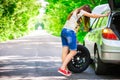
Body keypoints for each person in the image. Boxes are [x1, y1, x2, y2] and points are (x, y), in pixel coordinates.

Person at [58, 4, 109, 76]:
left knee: (65, 51)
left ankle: (65, 69)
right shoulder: (81, 11)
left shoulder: (75, 12)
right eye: (88, 12)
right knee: (73, 52)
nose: (86, 15)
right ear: (86, 10)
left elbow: (74, 28)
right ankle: (63, 67)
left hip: (64, 31)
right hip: (69, 32)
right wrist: (104, 15)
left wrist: (75, 39)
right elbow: (93, 15)